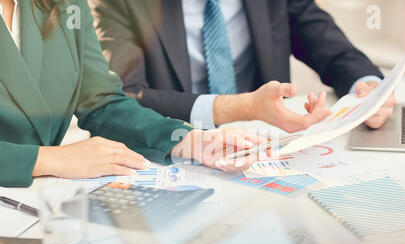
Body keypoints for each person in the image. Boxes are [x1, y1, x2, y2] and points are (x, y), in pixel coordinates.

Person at [0, 0, 275, 187]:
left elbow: (100, 104)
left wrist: (189, 141)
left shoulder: (65, 5)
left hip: (44, 205)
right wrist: (46, 159)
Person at [88, 0, 397, 133]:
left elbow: (320, 35)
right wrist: (238, 108)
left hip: (265, 152)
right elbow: (123, 97)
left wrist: (365, 84)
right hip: (171, 154)